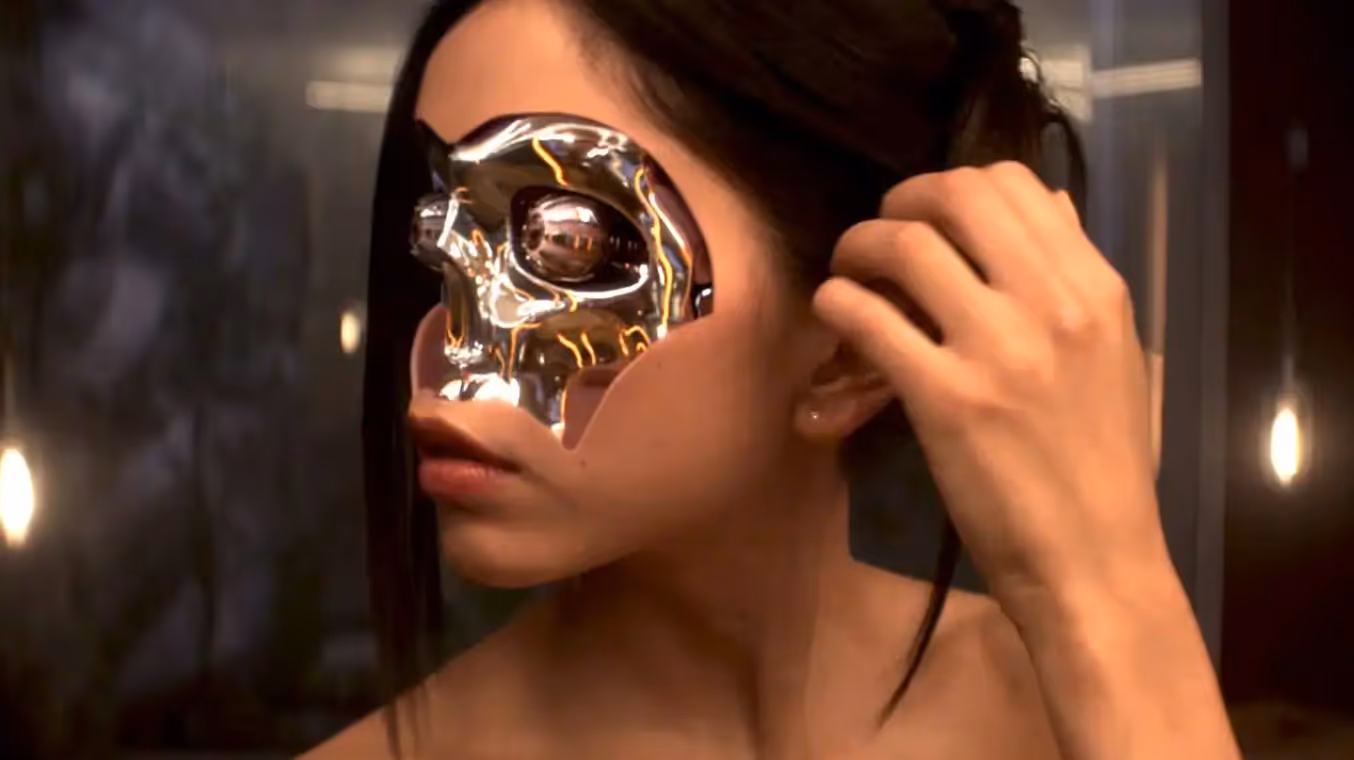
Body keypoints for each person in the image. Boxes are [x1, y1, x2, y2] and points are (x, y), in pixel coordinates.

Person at [307, 0, 1242, 757]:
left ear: (845, 355)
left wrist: (1108, 594)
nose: (444, 352)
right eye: (446, 244)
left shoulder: (1070, 703)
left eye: (567, 243)